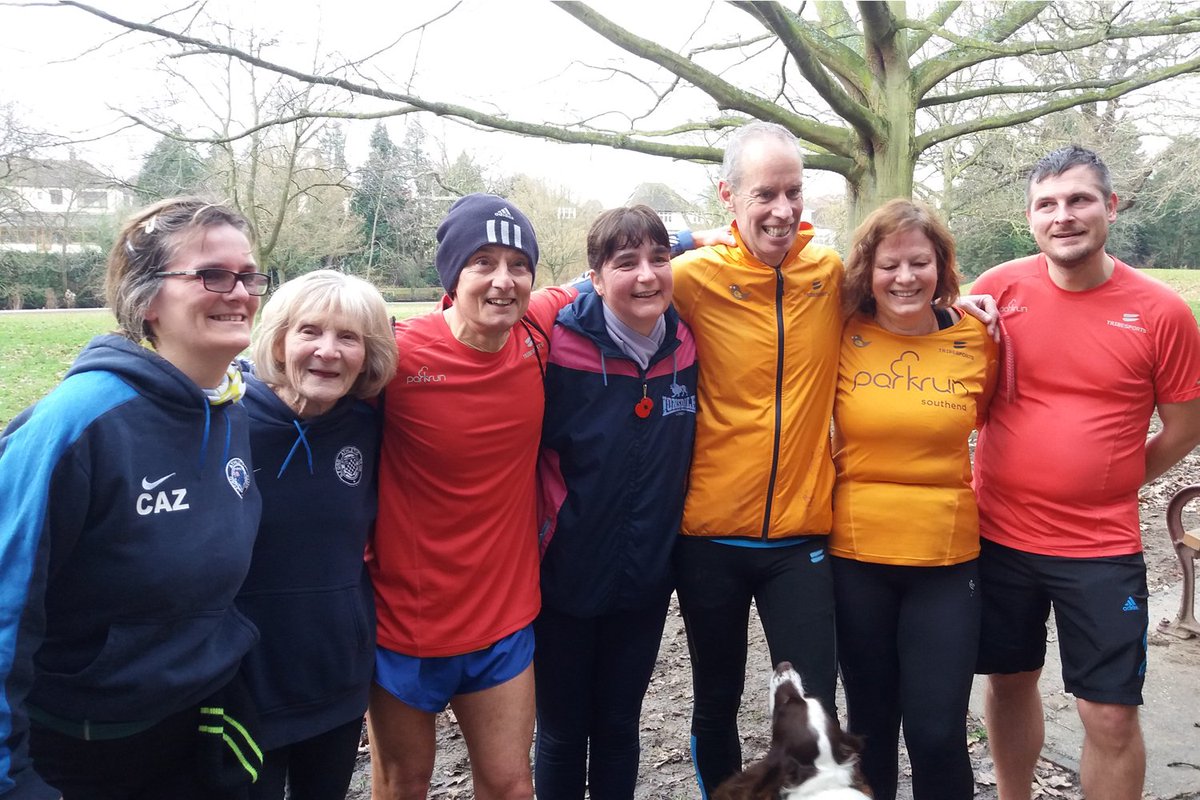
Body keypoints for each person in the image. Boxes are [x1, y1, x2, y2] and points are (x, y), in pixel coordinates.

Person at [0, 197, 268, 799]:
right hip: (84, 751)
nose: (240, 292)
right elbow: (5, 606)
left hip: (200, 724)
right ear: (147, 299)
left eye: (248, 276)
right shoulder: (78, 422)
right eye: (212, 275)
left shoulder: (232, 408)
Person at [973, 145, 1200, 800]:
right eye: (1047, 203)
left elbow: (1185, 428)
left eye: (1079, 199)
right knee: (1009, 681)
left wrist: (1115, 477)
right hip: (998, 538)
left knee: (1109, 711)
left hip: (1100, 549)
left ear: (1110, 206)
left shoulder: (1161, 312)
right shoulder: (997, 289)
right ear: (1029, 217)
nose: (1063, 215)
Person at [367, 194, 577, 800]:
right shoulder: (396, 355)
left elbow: (596, 276)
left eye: (517, 263)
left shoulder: (535, 332)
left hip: (503, 622)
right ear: (452, 274)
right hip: (406, 625)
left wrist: (694, 240)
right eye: (482, 262)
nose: (502, 280)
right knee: (404, 782)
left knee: (512, 784)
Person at [669, 121, 845, 797]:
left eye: (794, 191)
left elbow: (906, 285)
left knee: (809, 709)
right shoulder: (691, 278)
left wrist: (960, 308)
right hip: (709, 537)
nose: (782, 209)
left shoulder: (828, 275)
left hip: (799, 537)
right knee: (715, 699)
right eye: (765, 192)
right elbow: (601, 284)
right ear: (729, 195)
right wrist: (684, 240)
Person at [830, 199, 998, 800]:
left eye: (920, 262)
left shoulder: (979, 337)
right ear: (866, 274)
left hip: (947, 563)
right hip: (857, 559)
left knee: (936, 733)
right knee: (870, 728)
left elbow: (1005, 419)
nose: (905, 277)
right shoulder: (840, 330)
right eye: (889, 265)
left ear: (942, 267)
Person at [534, 205, 698, 799]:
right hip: (563, 576)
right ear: (596, 278)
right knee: (560, 731)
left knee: (617, 727)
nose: (648, 275)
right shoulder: (555, 344)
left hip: (645, 580)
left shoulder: (687, 345)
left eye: (659, 258)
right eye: (626, 263)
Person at [236, 270, 397, 800]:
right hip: (241, 687)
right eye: (310, 331)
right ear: (279, 340)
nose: (328, 351)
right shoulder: (223, 420)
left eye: (348, 337)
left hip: (336, 680)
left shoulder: (370, 426)